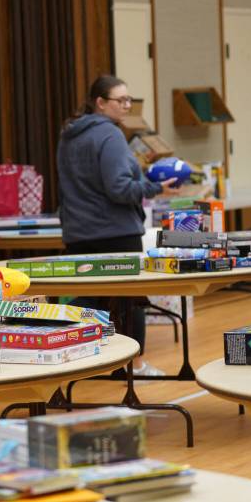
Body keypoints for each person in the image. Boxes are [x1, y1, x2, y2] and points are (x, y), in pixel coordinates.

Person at [57, 75, 180, 376]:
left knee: (89, 299)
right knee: (128, 300)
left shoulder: (69, 135)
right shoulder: (109, 135)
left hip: (78, 231)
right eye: (120, 100)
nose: (126, 106)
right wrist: (154, 188)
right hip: (115, 231)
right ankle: (133, 366)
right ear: (100, 103)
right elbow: (119, 189)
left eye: (129, 100)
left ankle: (73, 356)